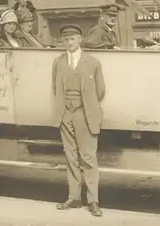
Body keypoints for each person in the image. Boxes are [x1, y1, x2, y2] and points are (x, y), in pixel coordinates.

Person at [52, 24, 106, 217]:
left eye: (73, 38)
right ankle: (74, 197)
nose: (69, 42)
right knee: (71, 157)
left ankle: (93, 200)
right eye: (66, 39)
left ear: (80, 39)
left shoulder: (92, 62)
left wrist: (87, 107)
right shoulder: (58, 62)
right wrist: (65, 108)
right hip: (65, 114)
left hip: (85, 114)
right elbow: (55, 87)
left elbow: (100, 91)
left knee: (88, 158)